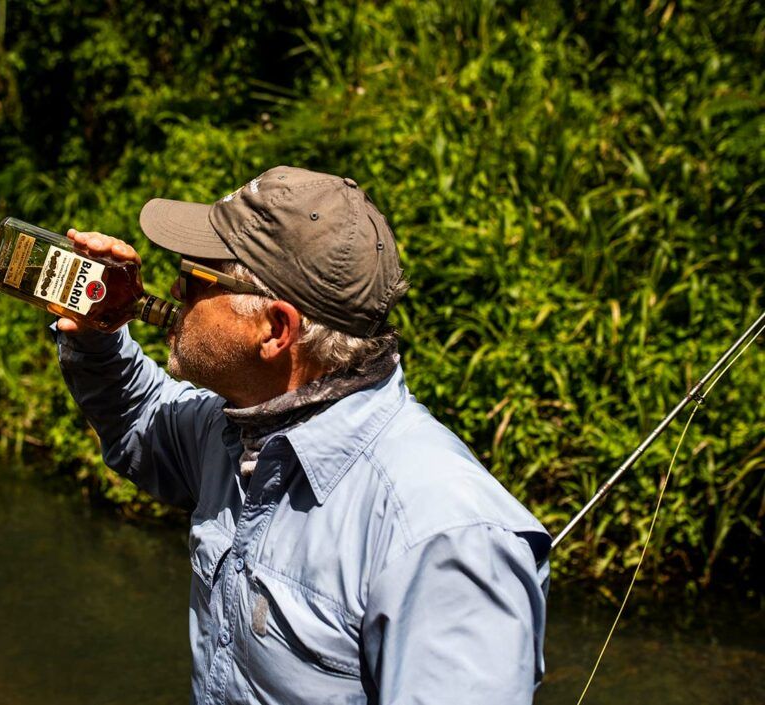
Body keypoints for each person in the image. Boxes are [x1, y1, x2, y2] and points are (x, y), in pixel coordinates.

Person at [52, 166, 551, 704]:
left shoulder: (445, 540)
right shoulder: (245, 425)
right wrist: (98, 333)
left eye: (198, 277)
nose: (175, 287)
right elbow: (141, 416)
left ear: (274, 329)